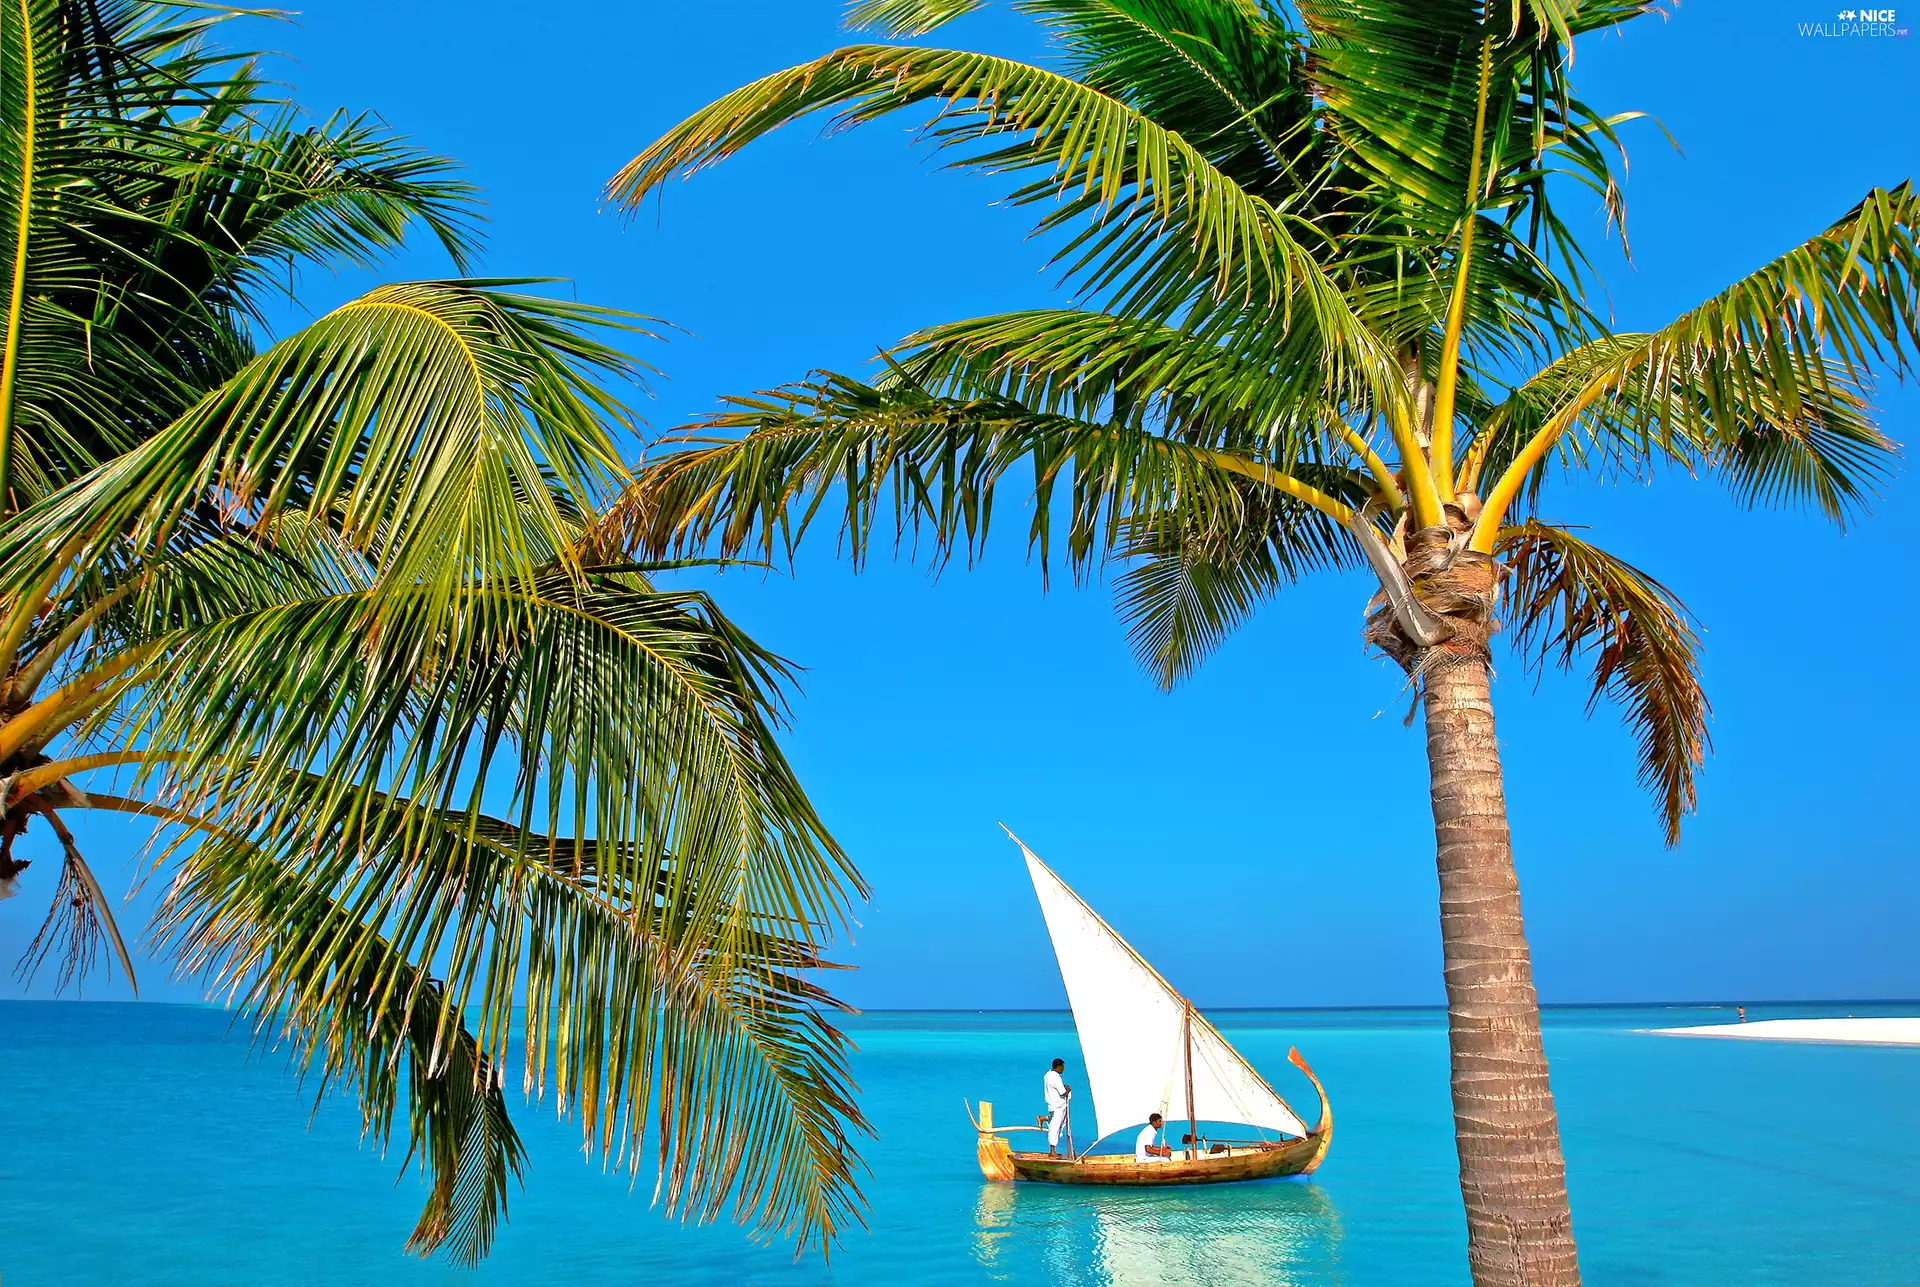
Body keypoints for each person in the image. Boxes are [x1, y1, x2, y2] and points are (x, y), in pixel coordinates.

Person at [1042, 1058, 1072, 1157]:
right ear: (1058, 1067)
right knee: (1055, 1127)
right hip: (1058, 1106)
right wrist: (1067, 1089)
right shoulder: (1056, 1077)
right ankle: (1052, 1151)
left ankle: (1043, 1118)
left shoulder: (1047, 1075)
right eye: (1062, 1067)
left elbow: (1054, 1088)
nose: (1063, 1069)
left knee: (1055, 1124)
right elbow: (1063, 1093)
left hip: (1052, 1105)